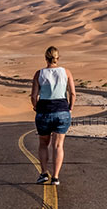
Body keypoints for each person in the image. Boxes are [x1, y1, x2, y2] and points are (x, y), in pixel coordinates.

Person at [30, 46, 76, 185]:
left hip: (44, 112)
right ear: (58, 58)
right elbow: (72, 93)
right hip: (62, 111)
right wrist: (70, 108)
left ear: (45, 58)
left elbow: (33, 95)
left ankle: (44, 173)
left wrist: (36, 107)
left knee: (43, 144)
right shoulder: (66, 72)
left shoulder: (39, 74)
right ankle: (55, 177)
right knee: (58, 145)